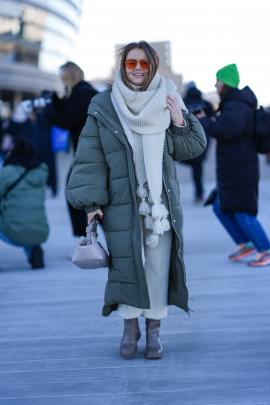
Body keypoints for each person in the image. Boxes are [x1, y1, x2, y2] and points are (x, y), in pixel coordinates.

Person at [67, 41, 206, 359]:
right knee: (127, 266)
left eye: (144, 63)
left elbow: (193, 148)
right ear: (122, 66)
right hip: (120, 203)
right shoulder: (104, 104)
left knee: (157, 267)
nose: (138, 69)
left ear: (153, 65)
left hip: (160, 204)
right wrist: (91, 203)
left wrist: (179, 120)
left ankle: (154, 331)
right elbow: (90, 156)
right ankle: (130, 328)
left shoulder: (169, 96)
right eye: (132, 63)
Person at [201, 64, 270, 267]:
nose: (215, 85)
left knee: (242, 210)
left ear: (227, 83)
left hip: (241, 168)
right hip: (233, 168)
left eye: (218, 81)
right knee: (219, 206)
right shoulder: (232, 104)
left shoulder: (237, 105)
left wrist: (205, 122)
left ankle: (265, 249)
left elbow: (225, 130)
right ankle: (246, 243)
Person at [44, 62, 98, 236]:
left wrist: (48, 110)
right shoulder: (83, 91)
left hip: (88, 154)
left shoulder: (82, 93)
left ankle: (84, 238)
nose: (61, 81)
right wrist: (54, 100)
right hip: (88, 153)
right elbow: (68, 110)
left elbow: (67, 119)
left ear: (70, 76)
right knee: (83, 197)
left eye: (63, 78)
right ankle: (87, 238)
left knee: (75, 195)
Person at [0, 138, 49, 269]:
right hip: (40, 232)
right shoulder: (41, 171)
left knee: (17, 221)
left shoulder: (7, 172)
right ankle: (34, 251)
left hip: (13, 232)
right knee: (26, 215)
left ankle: (33, 251)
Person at [183, 82, 214, 203]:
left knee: (180, 159)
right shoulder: (205, 104)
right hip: (203, 140)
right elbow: (213, 119)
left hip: (187, 140)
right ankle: (199, 194)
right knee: (198, 167)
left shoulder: (183, 102)